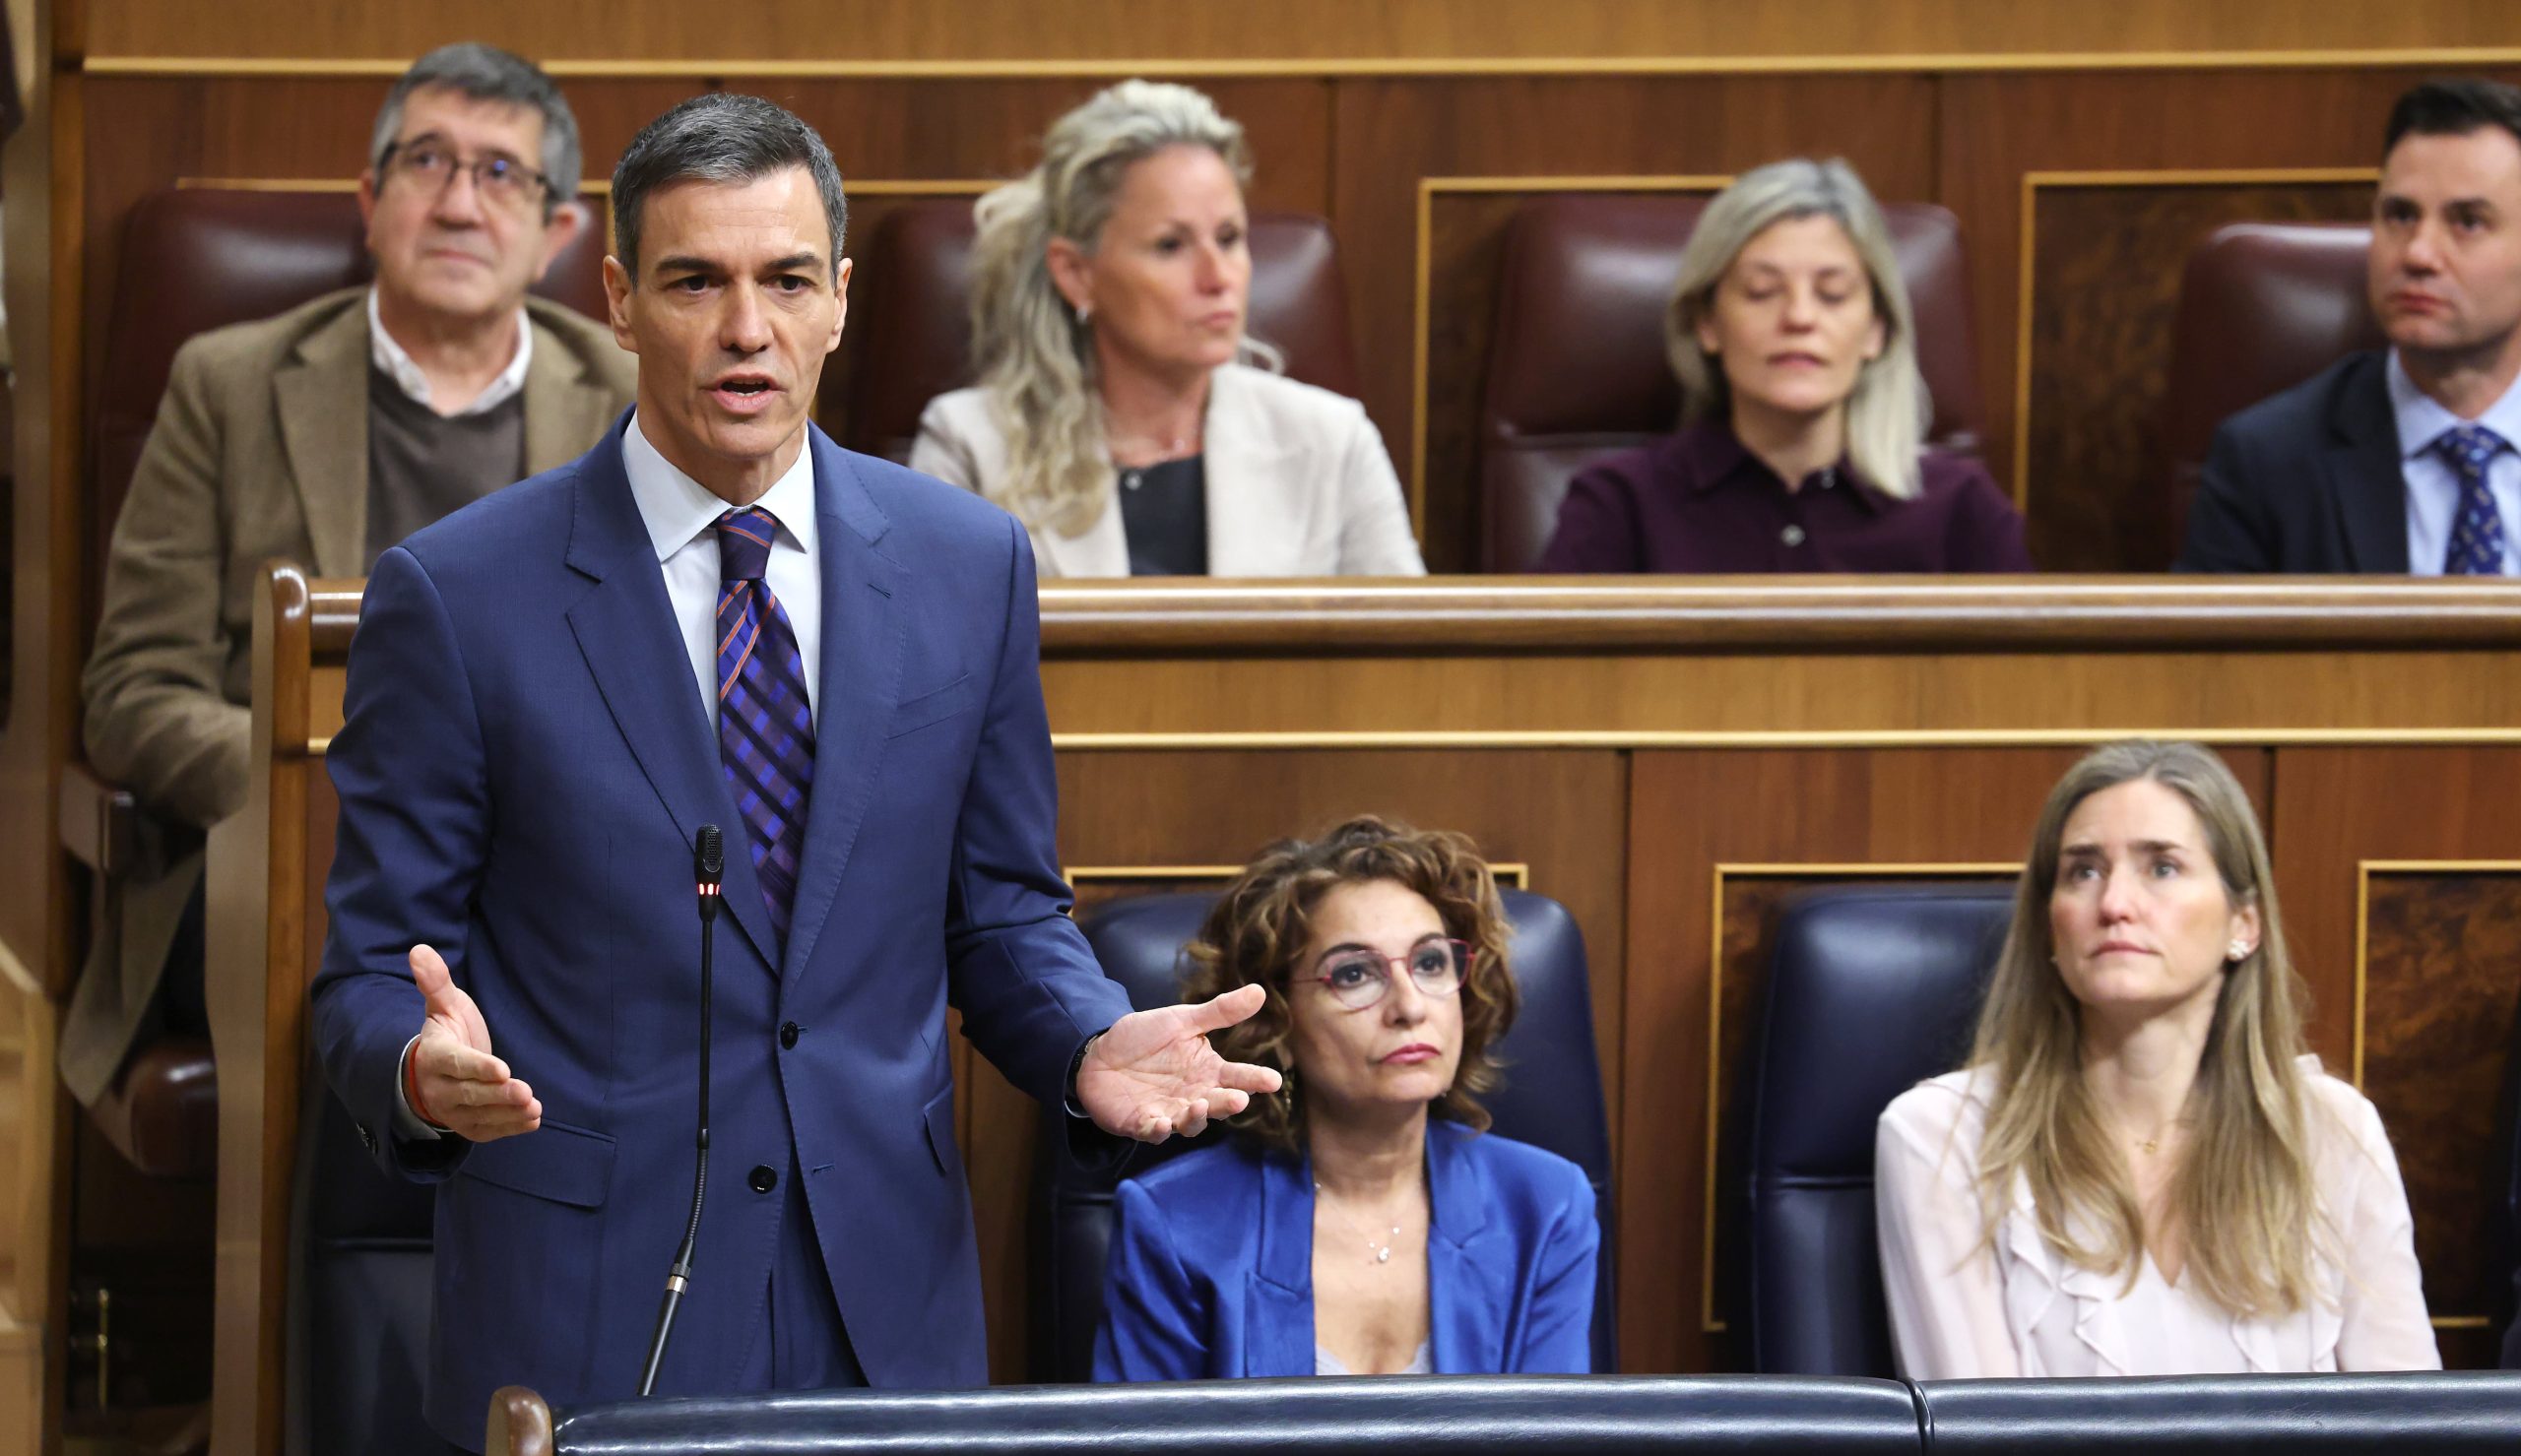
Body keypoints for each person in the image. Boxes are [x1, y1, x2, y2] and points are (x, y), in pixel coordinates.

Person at [306, 93, 1279, 1450]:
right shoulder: (460, 597)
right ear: (622, 297)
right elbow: (363, 973)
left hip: (883, 1294)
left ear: (839, 300)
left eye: (785, 280)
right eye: (696, 279)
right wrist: (417, 1065)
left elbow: (1000, 912)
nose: (745, 327)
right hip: (588, 1305)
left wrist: (1083, 1036)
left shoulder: (968, 561)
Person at [63, 42, 635, 1107]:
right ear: (371, 201)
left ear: (558, 232)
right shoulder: (229, 385)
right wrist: (323, 789)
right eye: (428, 162)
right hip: (282, 863)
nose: (460, 204)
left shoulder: (627, 401)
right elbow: (132, 691)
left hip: (552, 864)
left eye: (500, 173)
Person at [1875, 740, 2438, 1378]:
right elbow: (1979, 1434)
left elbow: (2411, 1421)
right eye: (2083, 870)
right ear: (2049, 926)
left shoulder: (2336, 1134)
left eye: (2161, 867)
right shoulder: (1940, 1139)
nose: (2115, 902)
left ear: (2243, 924)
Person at [1095, 816, 1597, 1380]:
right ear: (1277, 1021)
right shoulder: (1175, 1223)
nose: (1410, 1007)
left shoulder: (1546, 1206)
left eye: (1431, 963)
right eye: (1355, 974)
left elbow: (1553, 1440)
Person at [910, 80, 1424, 579]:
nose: (1218, 277)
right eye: (1170, 246)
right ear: (1077, 273)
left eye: (1229, 238)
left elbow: (1409, 657)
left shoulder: (1332, 442)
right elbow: (929, 653)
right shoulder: (971, 448)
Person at [1534, 158, 2031, 574]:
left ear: (1876, 331)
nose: (1798, 317)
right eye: (1762, 292)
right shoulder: (1621, 506)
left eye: (1833, 294)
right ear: (1707, 322)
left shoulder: (1961, 509)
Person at [2179, 79, 2521, 574]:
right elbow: (2207, 654)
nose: (2418, 254)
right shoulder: (2267, 463)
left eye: (2467, 222)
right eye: (2400, 216)